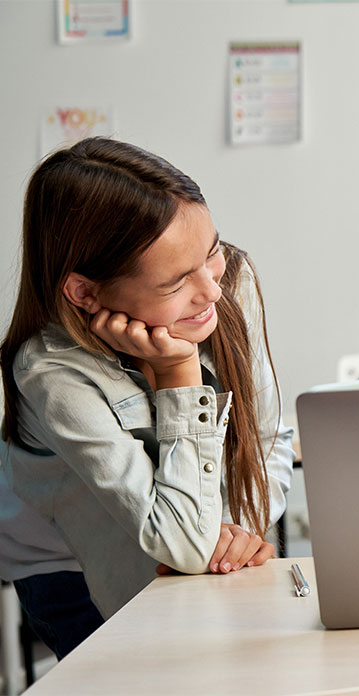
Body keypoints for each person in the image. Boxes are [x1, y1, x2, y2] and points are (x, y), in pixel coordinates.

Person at [0, 137, 295, 658]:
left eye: (212, 255)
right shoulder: (51, 371)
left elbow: (270, 440)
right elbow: (181, 544)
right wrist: (179, 371)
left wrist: (237, 536)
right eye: (178, 282)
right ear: (86, 293)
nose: (212, 292)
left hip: (188, 544)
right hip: (74, 572)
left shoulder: (229, 284)